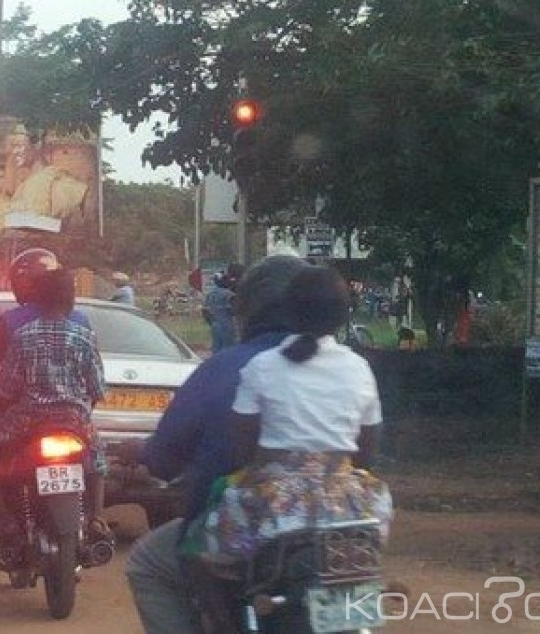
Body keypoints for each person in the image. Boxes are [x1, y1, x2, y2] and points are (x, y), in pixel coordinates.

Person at [124, 254, 311, 634]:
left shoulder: (225, 367)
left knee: (147, 562)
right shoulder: (345, 366)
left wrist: (142, 453)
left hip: (249, 530)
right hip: (338, 525)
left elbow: (164, 459)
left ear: (247, 310)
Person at [0, 248, 103, 605]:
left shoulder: (15, 325)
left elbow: (2, 384)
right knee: (99, 461)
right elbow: (97, 388)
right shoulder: (83, 326)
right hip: (74, 421)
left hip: (22, 421)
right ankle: (96, 519)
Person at [193, 266, 387, 562]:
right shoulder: (359, 368)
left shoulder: (262, 366)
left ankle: (222, 595)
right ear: (342, 316)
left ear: (289, 313)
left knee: (205, 551)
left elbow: (241, 446)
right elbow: (368, 451)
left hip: (273, 507)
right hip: (347, 508)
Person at [201, 262, 245, 354]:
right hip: (227, 325)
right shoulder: (229, 294)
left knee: (217, 348)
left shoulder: (209, 294)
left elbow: (204, 311)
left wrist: (212, 322)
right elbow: (236, 310)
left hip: (215, 325)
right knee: (229, 349)